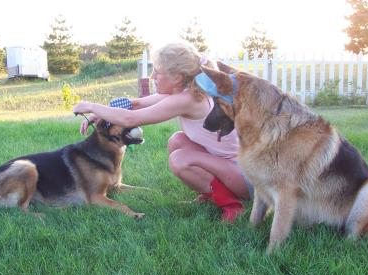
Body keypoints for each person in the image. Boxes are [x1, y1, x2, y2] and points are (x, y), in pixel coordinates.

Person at [73, 42, 252, 223]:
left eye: (157, 72)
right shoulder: (189, 93)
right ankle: (210, 194)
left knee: (180, 159)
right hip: (234, 169)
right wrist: (101, 114)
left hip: (247, 178)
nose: (152, 76)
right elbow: (135, 104)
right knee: (177, 141)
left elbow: (130, 119)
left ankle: (232, 206)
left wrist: (90, 106)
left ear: (177, 77)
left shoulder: (187, 99)